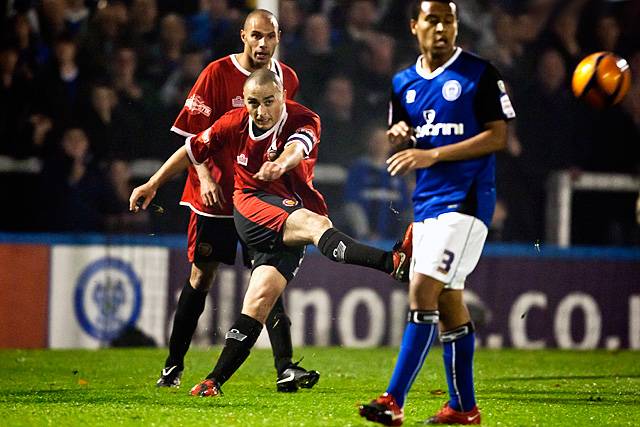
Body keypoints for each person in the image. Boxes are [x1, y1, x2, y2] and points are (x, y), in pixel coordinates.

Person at [129, 69, 411, 398]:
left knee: (260, 300)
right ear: (244, 102)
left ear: (282, 97)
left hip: (290, 208)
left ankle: (213, 381)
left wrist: (281, 164)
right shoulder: (233, 122)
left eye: (268, 102)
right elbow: (191, 150)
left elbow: (297, 147)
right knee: (316, 226)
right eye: (253, 103)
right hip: (251, 206)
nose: (261, 112)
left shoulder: (304, 119)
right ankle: (391, 262)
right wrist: (152, 183)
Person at [358, 1, 515, 425]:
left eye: (449, 20)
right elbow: (406, 139)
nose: (441, 27)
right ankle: (464, 407)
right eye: (432, 19)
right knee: (448, 302)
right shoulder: (403, 82)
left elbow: (499, 136)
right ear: (415, 26)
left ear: (457, 25)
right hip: (426, 206)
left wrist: (434, 154)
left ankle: (393, 399)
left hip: (465, 203)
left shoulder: (480, 74)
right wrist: (399, 136)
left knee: (421, 291)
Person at [155, 9, 318, 393]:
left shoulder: (286, 79)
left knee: (269, 278)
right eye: (256, 36)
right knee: (202, 276)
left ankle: (285, 368)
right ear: (243, 35)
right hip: (213, 201)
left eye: (271, 37)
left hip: (261, 200)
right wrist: (206, 176)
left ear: (279, 38)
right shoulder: (215, 73)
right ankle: (172, 365)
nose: (263, 44)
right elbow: (192, 139)